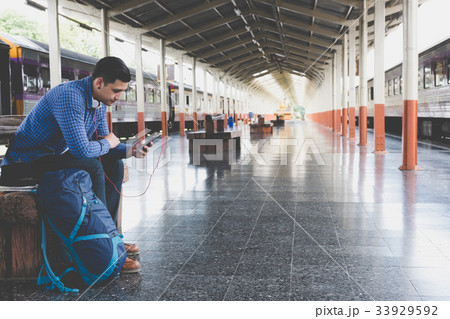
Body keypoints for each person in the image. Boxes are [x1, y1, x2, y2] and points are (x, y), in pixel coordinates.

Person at [0, 56, 148, 274]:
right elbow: (82, 151)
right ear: (99, 83)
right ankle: (103, 245)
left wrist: (129, 150)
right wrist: (108, 142)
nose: (118, 97)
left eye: (122, 92)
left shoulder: (98, 101)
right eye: (116, 90)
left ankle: (111, 238)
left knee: (113, 164)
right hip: (24, 164)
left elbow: (100, 143)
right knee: (92, 166)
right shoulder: (70, 96)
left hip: (49, 158)